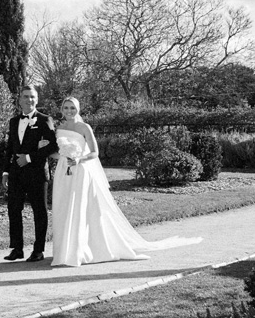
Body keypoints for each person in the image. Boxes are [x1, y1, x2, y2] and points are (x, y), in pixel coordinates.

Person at [49, 97, 201, 267]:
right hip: (64, 170)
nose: (69, 111)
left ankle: (80, 250)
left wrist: (79, 159)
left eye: (73, 108)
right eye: (66, 108)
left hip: (82, 170)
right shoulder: (60, 128)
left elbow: (94, 153)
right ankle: (65, 251)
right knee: (64, 206)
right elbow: (56, 152)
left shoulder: (85, 127)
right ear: (61, 109)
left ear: (78, 109)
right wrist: (55, 154)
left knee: (79, 208)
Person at [4, 85, 56, 262]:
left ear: (37, 99)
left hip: (37, 174)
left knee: (39, 211)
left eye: (32, 97)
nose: (29, 100)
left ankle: (39, 250)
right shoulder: (13, 121)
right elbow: (10, 148)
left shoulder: (44, 120)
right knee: (14, 210)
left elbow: (53, 146)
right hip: (16, 173)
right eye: (25, 97)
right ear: (20, 100)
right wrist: (5, 171)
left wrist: (29, 157)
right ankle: (17, 249)